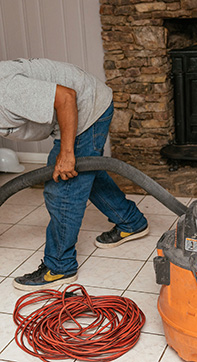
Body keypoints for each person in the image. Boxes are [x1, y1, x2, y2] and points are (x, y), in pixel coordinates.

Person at [0, 58, 149, 291]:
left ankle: (60, 266)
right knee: (84, 174)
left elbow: (66, 97)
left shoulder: (6, 91)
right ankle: (132, 222)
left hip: (86, 108)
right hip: (78, 105)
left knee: (62, 187)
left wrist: (67, 153)